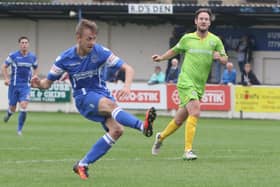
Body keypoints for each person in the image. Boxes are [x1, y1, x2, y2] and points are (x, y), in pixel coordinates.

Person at [30, 19, 157, 180]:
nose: (92, 42)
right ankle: (142, 126)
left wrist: (127, 87)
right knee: (110, 105)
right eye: (89, 38)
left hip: (101, 93)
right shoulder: (64, 58)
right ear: (79, 38)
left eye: (94, 38)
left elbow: (128, 68)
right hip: (83, 97)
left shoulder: (99, 51)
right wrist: (37, 84)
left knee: (117, 130)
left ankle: (82, 164)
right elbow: (46, 84)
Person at [151, 8, 228, 160]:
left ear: (210, 22)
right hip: (185, 81)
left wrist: (220, 58)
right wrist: (161, 58)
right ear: (196, 21)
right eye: (201, 19)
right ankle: (188, 150)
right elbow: (175, 50)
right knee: (196, 111)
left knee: (179, 120)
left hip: (200, 85)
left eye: (206, 19)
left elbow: (225, 59)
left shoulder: (215, 40)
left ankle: (161, 137)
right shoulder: (187, 38)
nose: (204, 21)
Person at [1, 36, 38, 135]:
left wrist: (35, 77)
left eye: (26, 43)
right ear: (19, 44)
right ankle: (9, 114)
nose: (24, 44)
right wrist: (6, 78)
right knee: (12, 107)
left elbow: (35, 68)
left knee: (24, 105)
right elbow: (4, 66)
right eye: (22, 43)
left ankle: (19, 130)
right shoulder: (13, 55)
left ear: (28, 44)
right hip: (14, 85)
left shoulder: (32, 57)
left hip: (25, 86)